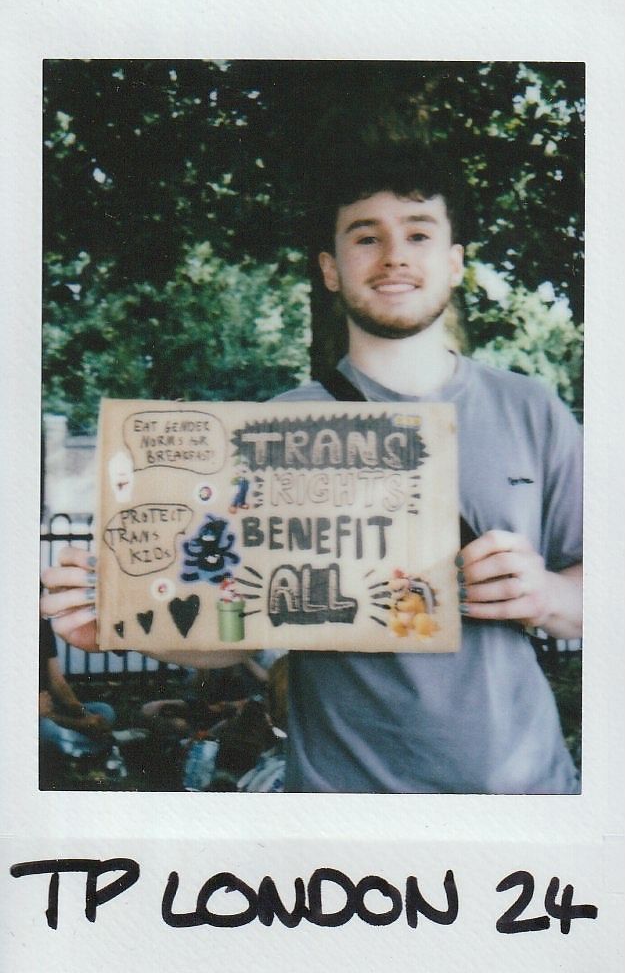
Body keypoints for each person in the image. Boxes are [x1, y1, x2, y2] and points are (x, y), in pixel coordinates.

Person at [41, 144, 582, 794]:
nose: (393, 256)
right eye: (365, 236)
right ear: (329, 269)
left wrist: (548, 595)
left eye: (418, 233)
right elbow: (234, 627)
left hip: (523, 798)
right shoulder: (272, 428)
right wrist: (126, 621)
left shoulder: (533, 410)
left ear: (454, 263)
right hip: (338, 809)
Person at [39, 617, 115, 766]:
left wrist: (85, 715)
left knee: (105, 711)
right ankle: (105, 746)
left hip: (50, 710)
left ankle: (84, 746)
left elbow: (58, 682)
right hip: (32, 720)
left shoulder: (43, 626)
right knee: (47, 729)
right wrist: (80, 724)